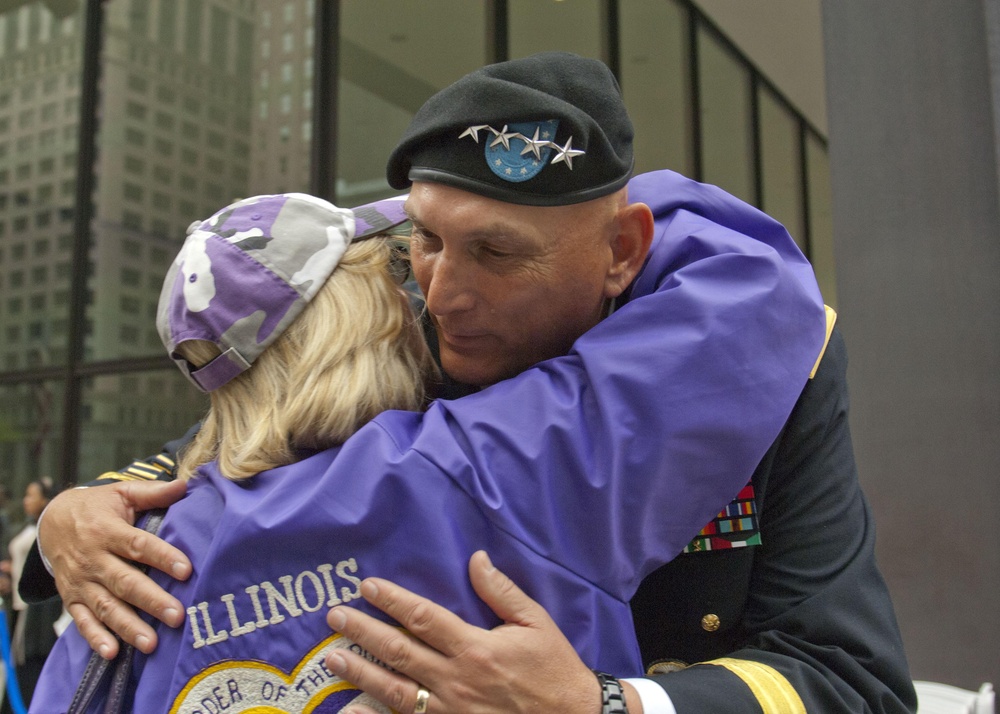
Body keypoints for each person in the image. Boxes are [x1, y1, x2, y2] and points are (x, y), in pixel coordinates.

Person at [24, 52, 914, 712]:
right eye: (426, 239)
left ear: (623, 253)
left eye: (496, 253)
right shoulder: (404, 336)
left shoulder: (763, 363)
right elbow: (247, 443)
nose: (444, 293)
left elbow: (852, 681)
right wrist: (82, 507)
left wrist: (607, 704)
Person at [1, 479, 61, 711]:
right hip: (19, 605)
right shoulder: (28, 527)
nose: (26, 500)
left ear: (44, 500)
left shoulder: (50, 525)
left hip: (39, 610)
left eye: (31, 495)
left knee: (30, 668)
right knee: (17, 666)